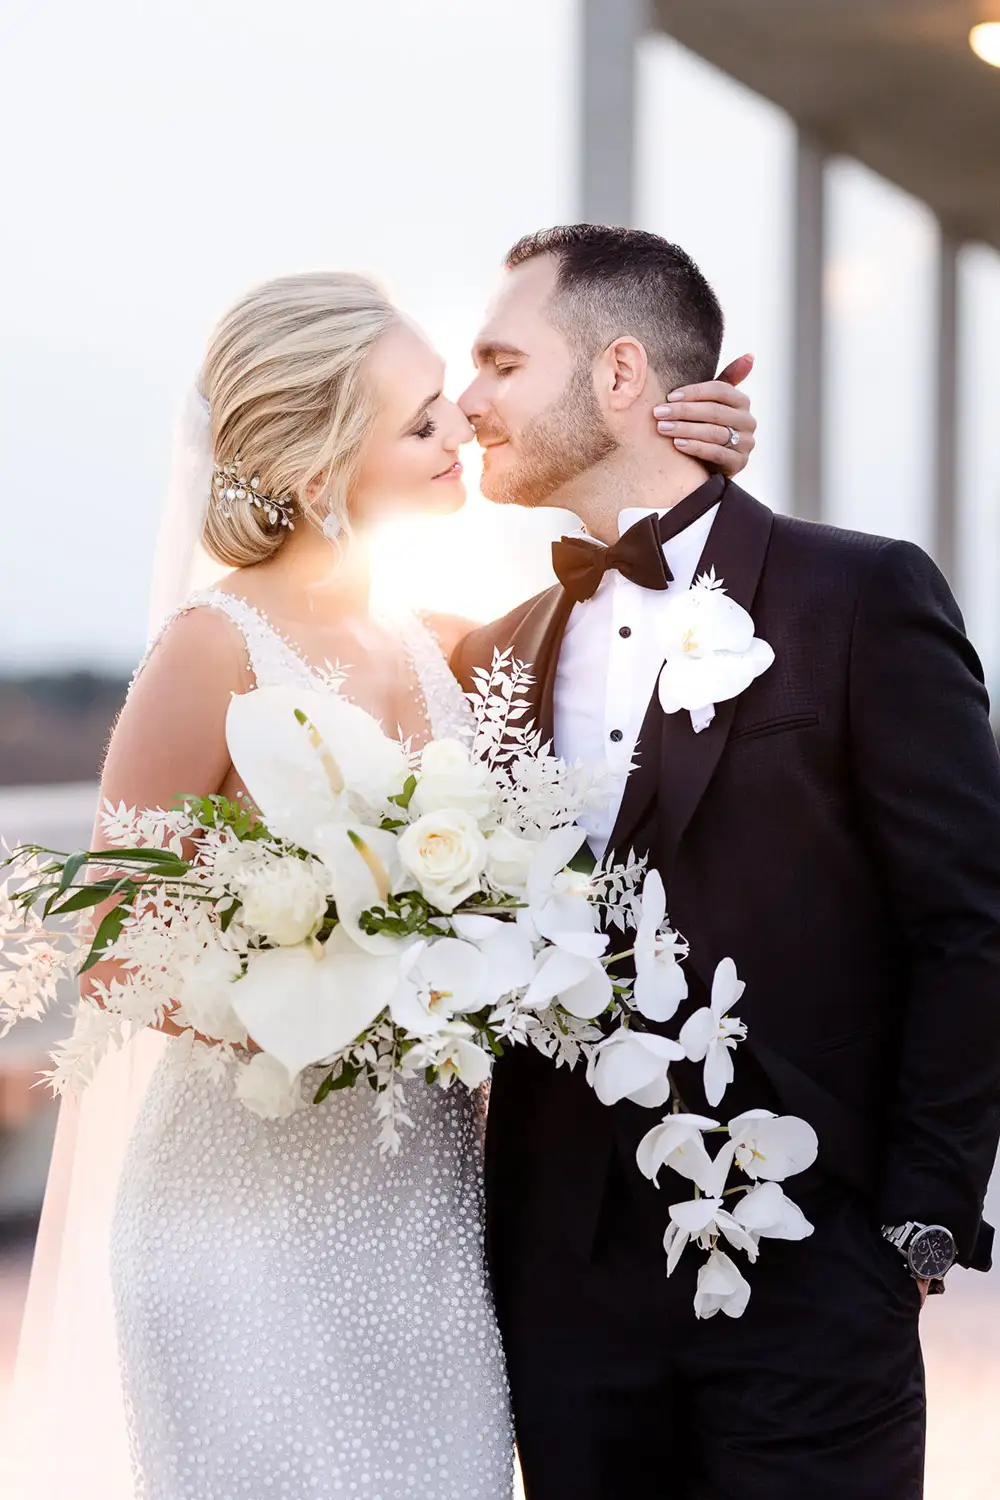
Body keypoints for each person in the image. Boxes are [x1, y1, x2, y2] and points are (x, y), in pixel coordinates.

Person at [4, 267, 756, 1500]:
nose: (460, 422)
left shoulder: (454, 639)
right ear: (317, 470)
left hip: (424, 1223)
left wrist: (702, 454)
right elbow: (116, 941)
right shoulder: (211, 649)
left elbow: (647, 589)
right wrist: (335, 994)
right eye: (419, 420)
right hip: (240, 1220)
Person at [451, 223, 1000, 1500]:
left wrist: (912, 1229)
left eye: (499, 362)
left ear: (622, 375)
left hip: (814, 1268)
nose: (467, 402)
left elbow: (968, 921)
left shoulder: (857, 595)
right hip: (565, 1297)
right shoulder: (487, 658)